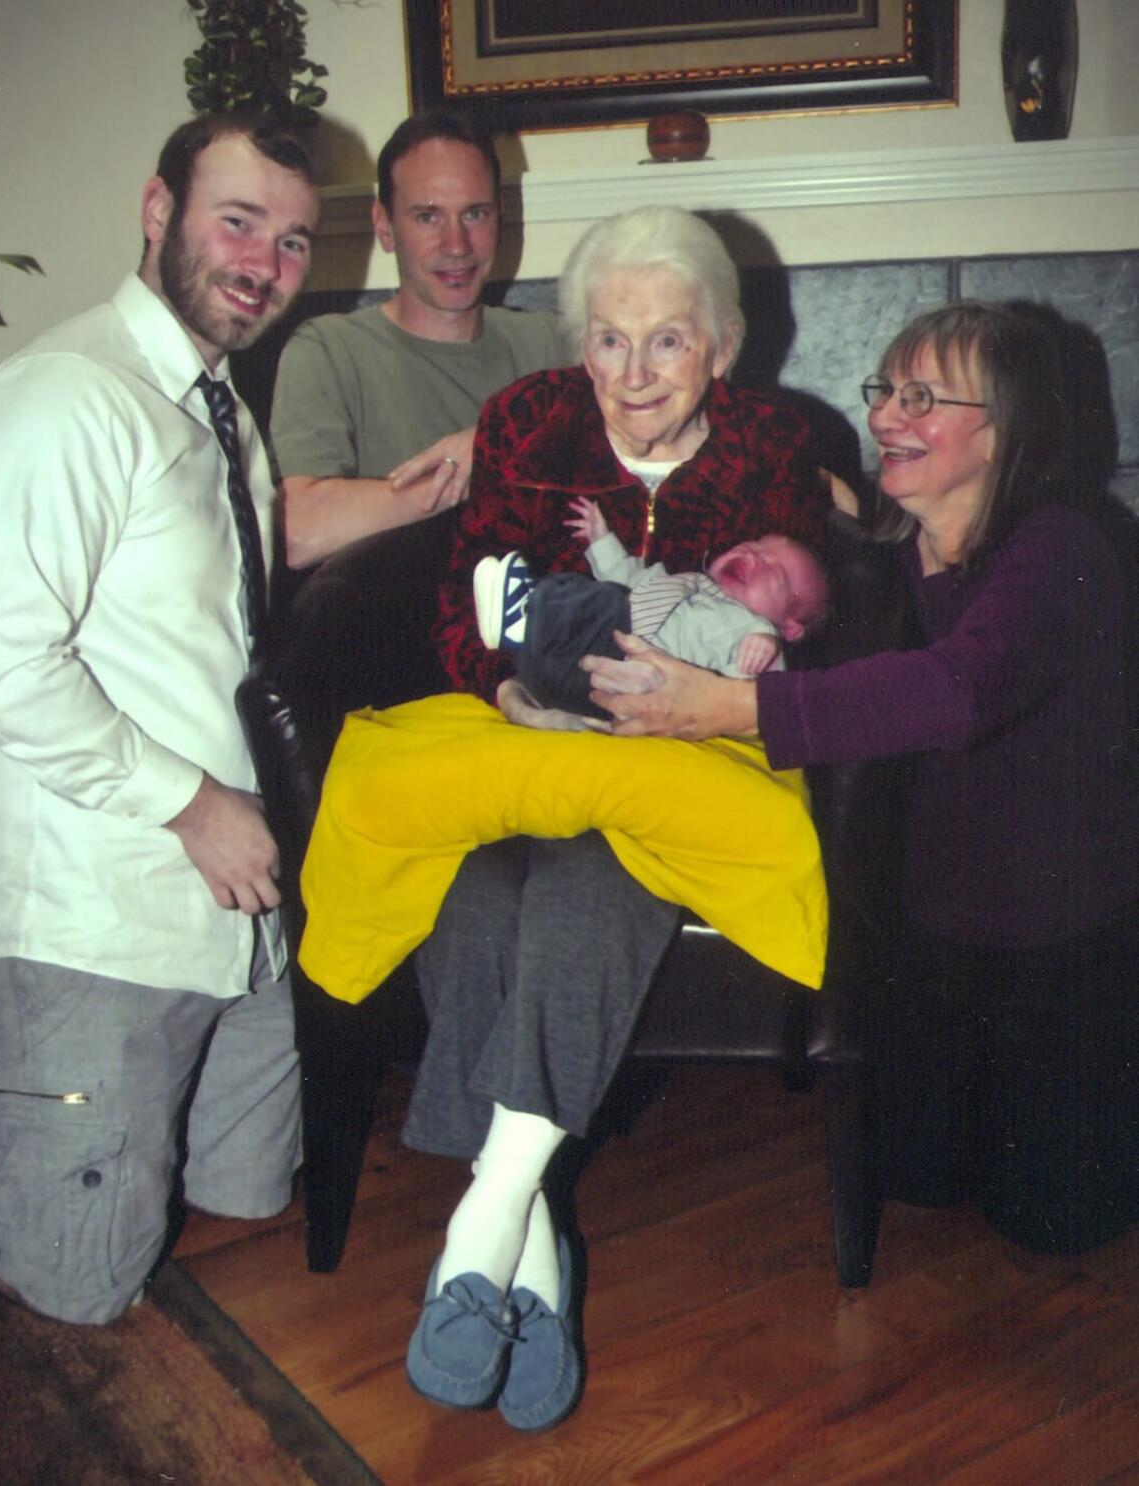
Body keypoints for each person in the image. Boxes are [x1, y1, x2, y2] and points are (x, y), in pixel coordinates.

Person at [385, 204, 830, 1431]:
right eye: (609, 341)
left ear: (722, 348)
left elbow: (792, 627)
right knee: (476, 893)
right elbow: (455, 600)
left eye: (667, 343)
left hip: (685, 759)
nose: (632, 375)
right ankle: (527, 1266)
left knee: (587, 891)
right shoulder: (524, 420)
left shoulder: (771, 445)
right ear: (580, 343)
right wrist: (509, 689)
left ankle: (482, 1226)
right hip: (529, 750)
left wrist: (698, 704)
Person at [585, 299, 1139, 1260]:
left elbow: (954, 692)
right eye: (886, 389)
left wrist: (726, 709)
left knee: (1058, 1230)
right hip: (933, 940)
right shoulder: (899, 547)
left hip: (1061, 952)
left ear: (1006, 425)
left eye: (923, 397)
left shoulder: (1061, 549)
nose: (887, 415)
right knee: (917, 1185)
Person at [0, 113, 320, 1325]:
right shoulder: (67, 396)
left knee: (249, 1194)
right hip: (104, 907)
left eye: (294, 241)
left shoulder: (214, 409)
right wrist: (191, 806)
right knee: (79, 1278)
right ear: (158, 210)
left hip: (229, 902)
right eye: (236, 220)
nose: (264, 261)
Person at [270, 111, 570, 568]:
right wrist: (489, 461)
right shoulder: (330, 350)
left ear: (500, 218)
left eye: (474, 213)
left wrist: (497, 443)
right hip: (397, 626)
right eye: (428, 216)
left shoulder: (552, 343)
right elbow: (303, 530)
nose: (457, 245)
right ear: (385, 226)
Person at [474, 496, 830, 721]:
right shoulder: (690, 585)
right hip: (560, 668)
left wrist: (768, 646)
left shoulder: (750, 632)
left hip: (624, 677)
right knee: (591, 587)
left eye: (776, 572)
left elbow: (761, 700)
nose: (753, 557)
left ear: (790, 626)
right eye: (753, 545)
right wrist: (602, 540)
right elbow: (630, 576)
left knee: (609, 602)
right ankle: (525, 620)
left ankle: (522, 618)